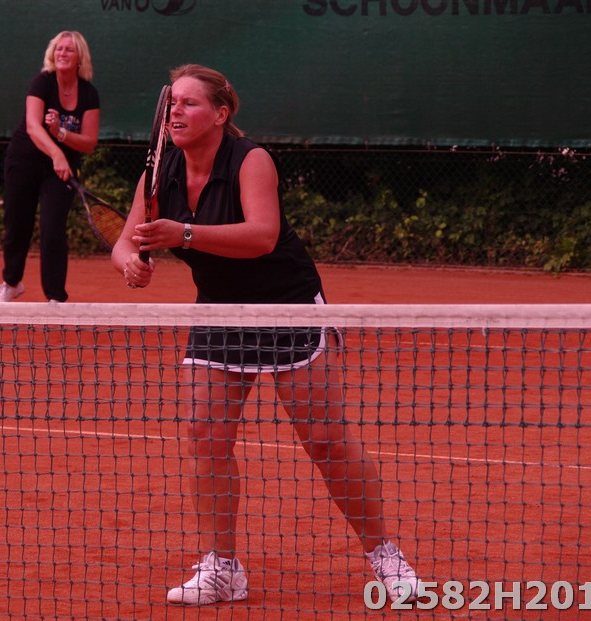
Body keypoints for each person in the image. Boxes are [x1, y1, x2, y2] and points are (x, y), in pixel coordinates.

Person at [111, 64, 423, 606]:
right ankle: (222, 566)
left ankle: (385, 556)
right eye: (172, 103)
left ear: (220, 114)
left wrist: (184, 233)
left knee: (325, 441)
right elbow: (125, 242)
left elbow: (262, 235)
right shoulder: (159, 173)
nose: (176, 111)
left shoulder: (250, 159)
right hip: (219, 312)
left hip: (287, 307)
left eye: (189, 102)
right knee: (206, 437)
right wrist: (130, 264)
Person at [0, 31, 100, 304]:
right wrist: (56, 153)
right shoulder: (42, 83)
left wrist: (61, 133)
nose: (62, 53)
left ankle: (55, 297)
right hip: (24, 161)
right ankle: (12, 283)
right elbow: (32, 126)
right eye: (58, 48)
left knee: (53, 229)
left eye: (69, 49)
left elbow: (89, 142)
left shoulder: (89, 94)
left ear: (80, 58)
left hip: (61, 169)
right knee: (17, 225)